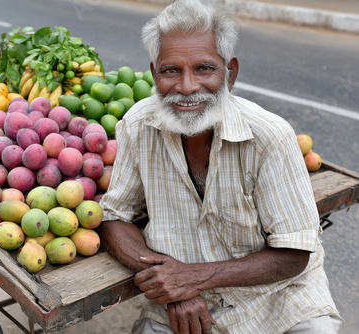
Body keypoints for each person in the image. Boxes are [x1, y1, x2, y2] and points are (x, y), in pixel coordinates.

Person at [97, 0, 342, 333]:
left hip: (277, 302)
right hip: (182, 311)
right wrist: (172, 286)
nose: (186, 87)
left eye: (204, 69)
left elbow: (294, 253)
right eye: (171, 70)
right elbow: (114, 217)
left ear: (230, 74)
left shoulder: (269, 136)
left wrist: (193, 277)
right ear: (154, 74)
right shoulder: (138, 126)